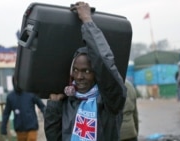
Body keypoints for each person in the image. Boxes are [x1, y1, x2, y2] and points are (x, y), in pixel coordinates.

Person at [44, 2, 127, 141]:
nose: (79, 76)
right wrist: (54, 107)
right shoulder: (68, 102)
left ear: (97, 74)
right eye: (75, 70)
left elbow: (103, 61)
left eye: (86, 71)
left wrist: (87, 21)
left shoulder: (110, 102)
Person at [0, 76, 46, 141]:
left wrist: (47, 117)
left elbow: (42, 106)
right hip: (19, 129)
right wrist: (3, 127)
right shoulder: (10, 97)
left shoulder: (31, 93)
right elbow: (6, 113)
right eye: (16, 81)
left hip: (31, 127)